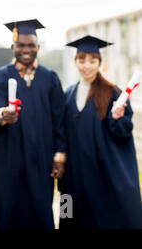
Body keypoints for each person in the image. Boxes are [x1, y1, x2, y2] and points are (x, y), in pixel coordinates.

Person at [0, 19, 66, 229]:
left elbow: (59, 119)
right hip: (10, 159)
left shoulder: (50, 78)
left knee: (41, 209)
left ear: (38, 47)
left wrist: (59, 155)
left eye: (31, 45)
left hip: (42, 158)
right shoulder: (0, 76)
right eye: (21, 45)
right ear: (13, 47)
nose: (26, 49)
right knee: (9, 212)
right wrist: (2, 114)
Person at [59, 35, 142, 229]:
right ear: (75, 62)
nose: (87, 66)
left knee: (101, 221)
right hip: (73, 177)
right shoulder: (68, 94)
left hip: (101, 175)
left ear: (100, 63)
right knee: (69, 214)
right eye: (82, 60)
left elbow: (123, 133)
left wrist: (118, 118)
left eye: (92, 60)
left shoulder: (112, 92)